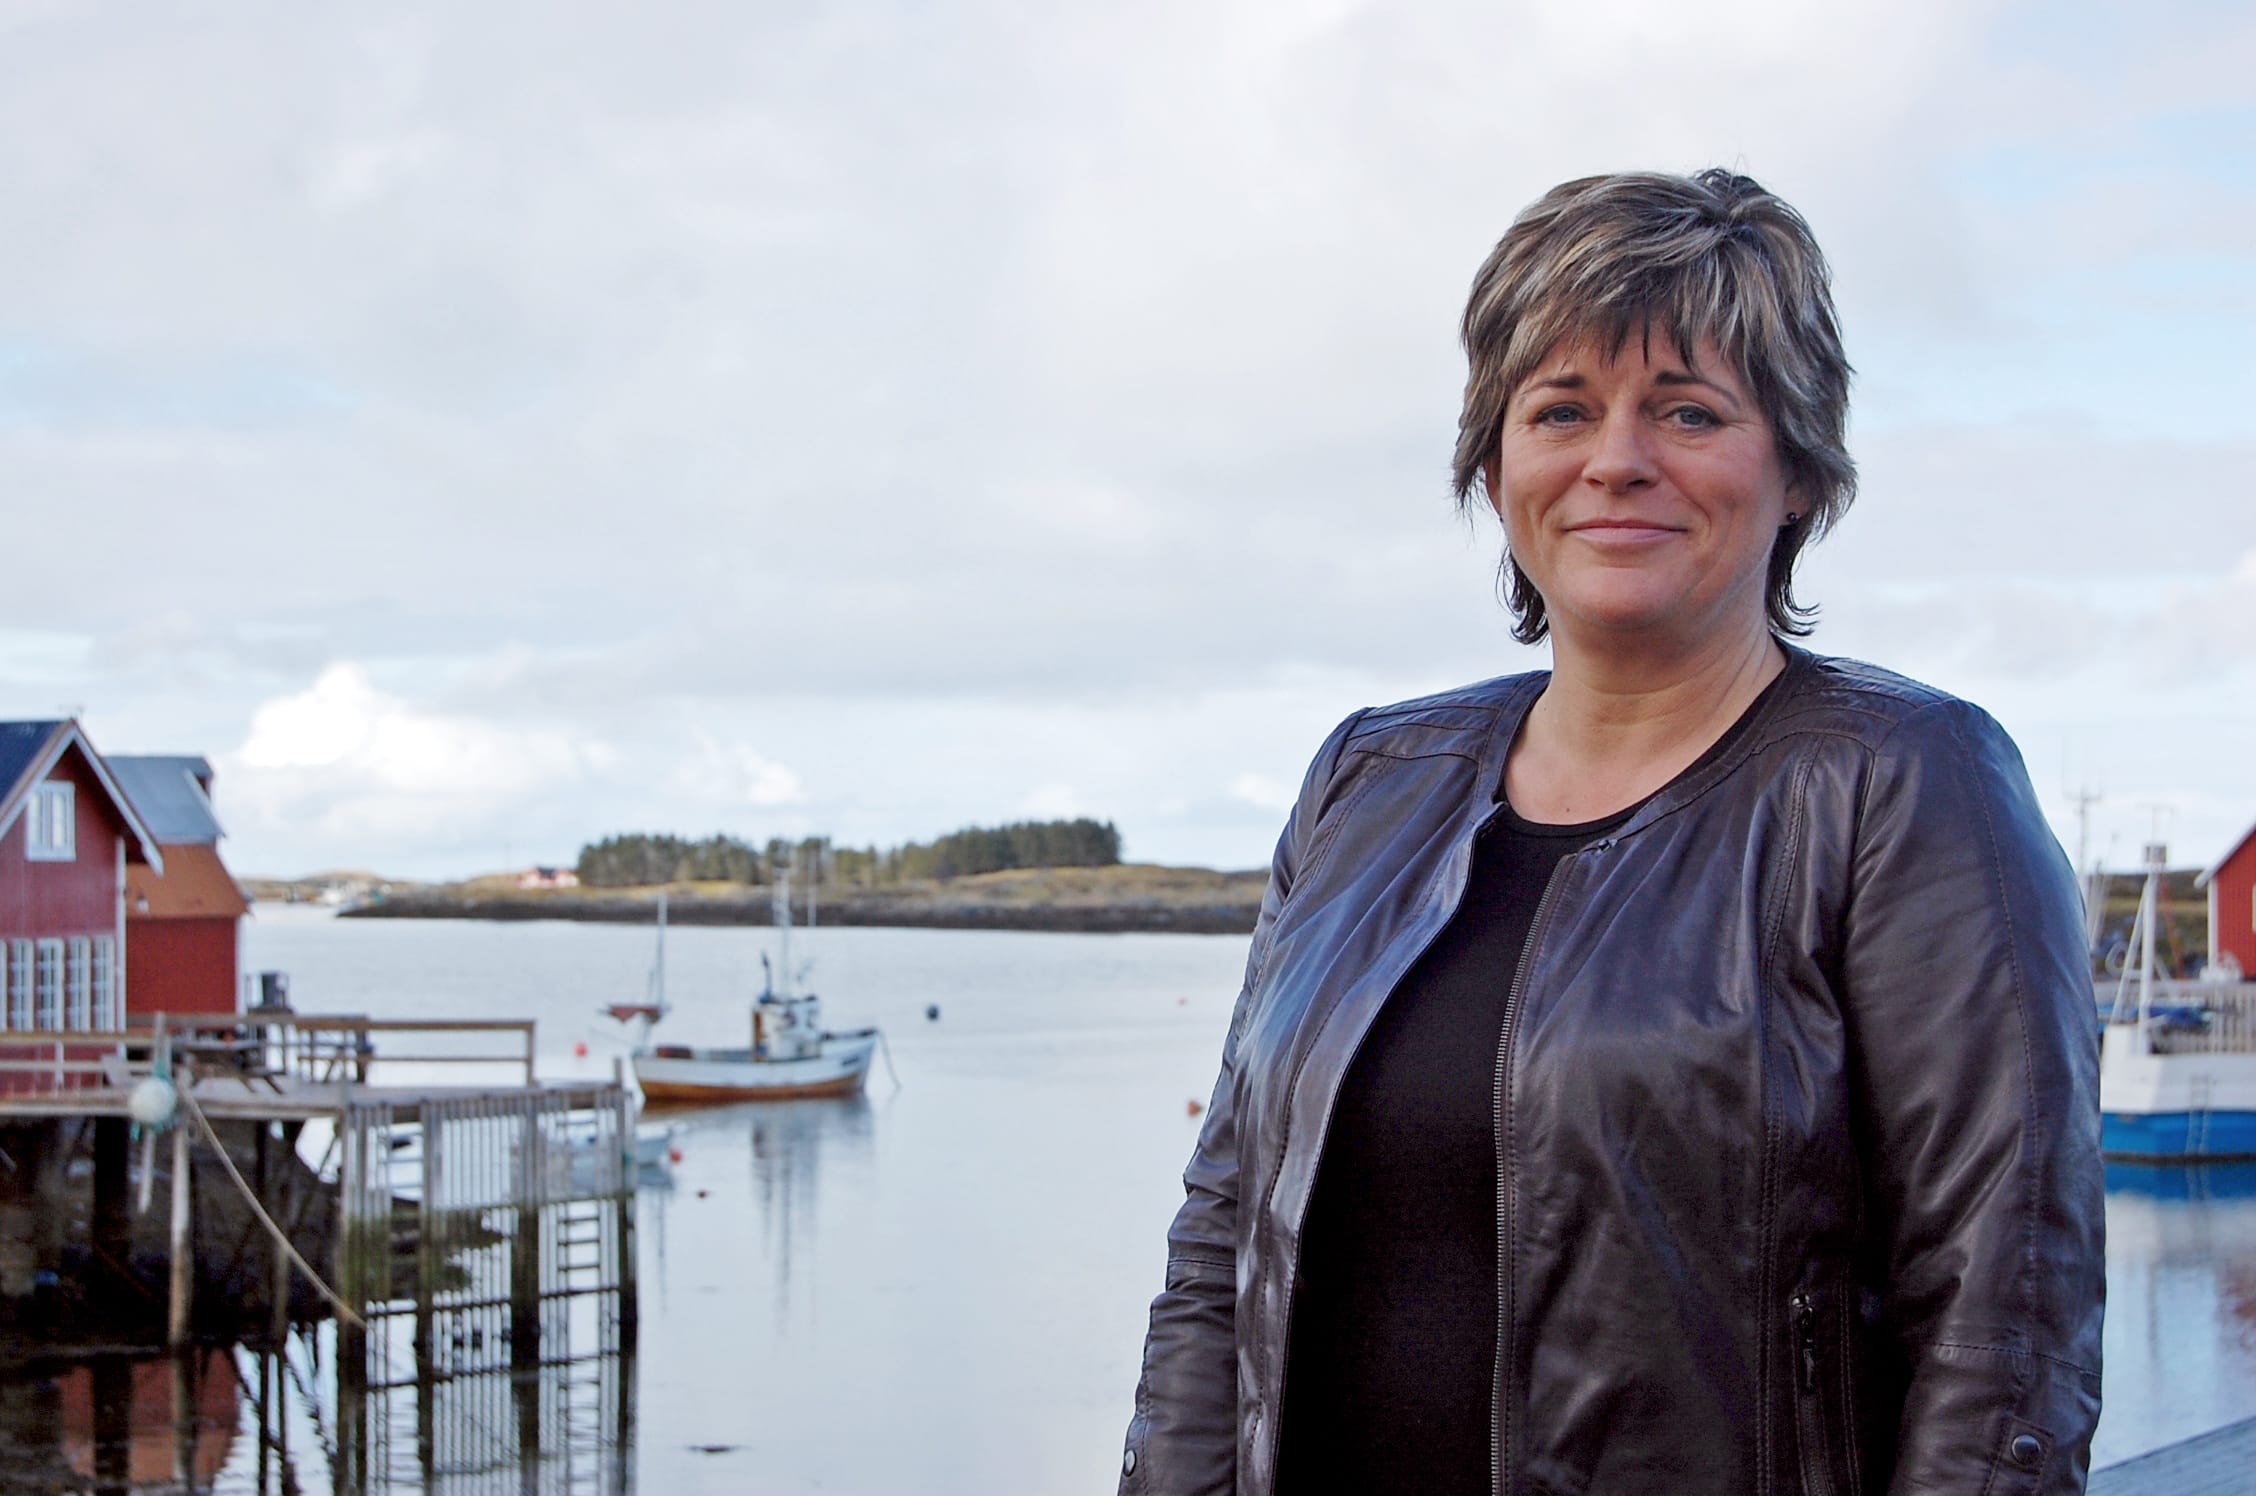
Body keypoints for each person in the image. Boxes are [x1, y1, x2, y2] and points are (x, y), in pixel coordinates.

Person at [1118, 169, 2103, 1496]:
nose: (1617, 459)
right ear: (1495, 465)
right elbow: (1223, 1233)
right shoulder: (1369, 778)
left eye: (1688, 411)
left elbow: (2006, 1316)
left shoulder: (1907, 786)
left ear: (1800, 471)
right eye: (1561, 410)